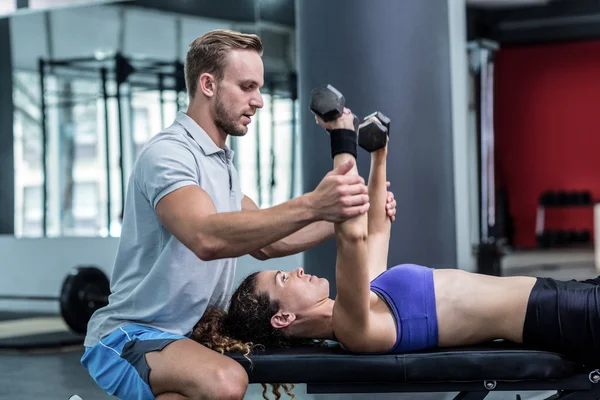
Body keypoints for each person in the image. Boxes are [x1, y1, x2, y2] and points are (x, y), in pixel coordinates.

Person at [79, 29, 397, 400]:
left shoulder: (221, 165)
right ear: (208, 84)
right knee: (226, 381)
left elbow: (273, 240)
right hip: (129, 335)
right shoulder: (169, 155)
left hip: (181, 340)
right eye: (247, 87)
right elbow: (206, 236)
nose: (259, 101)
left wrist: (348, 211)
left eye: (259, 88)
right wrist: (314, 203)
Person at [192, 107, 600, 372]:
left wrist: (379, 152)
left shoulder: (367, 299)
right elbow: (351, 238)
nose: (296, 270)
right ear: (283, 318)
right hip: (556, 315)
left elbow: (374, 230)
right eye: (283, 279)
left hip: (559, 298)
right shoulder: (354, 329)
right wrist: (341, 137)